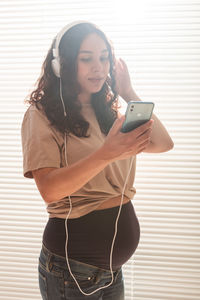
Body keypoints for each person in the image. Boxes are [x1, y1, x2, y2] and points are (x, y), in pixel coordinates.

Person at [21, 21, 174, 300]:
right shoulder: (41, 114)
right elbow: (49, 190)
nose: (99, 68)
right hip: (71, 271)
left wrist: (128, 93)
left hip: (111, 271)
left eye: (104, 57)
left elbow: (164, 143)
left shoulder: (108, 111)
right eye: (86, 58)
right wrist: (107, 153)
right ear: (62, 64)